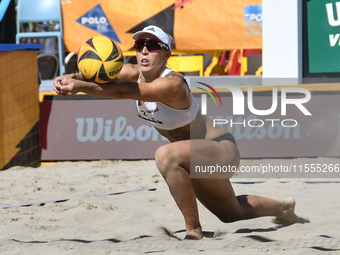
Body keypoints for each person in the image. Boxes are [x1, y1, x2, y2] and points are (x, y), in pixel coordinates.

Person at [54, 25, 308, 240]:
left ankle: (193, 231)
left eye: (153, 45)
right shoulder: (132, 72)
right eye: (140, 44)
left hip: (219, 149)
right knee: (231, 213)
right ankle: (284, 207)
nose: (144, 49)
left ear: (166, 53)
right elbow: (94, 74)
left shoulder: (172, 84)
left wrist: (80, 87)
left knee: (165, 156)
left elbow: (119, 92)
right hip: (191, 155)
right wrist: (69, 77)